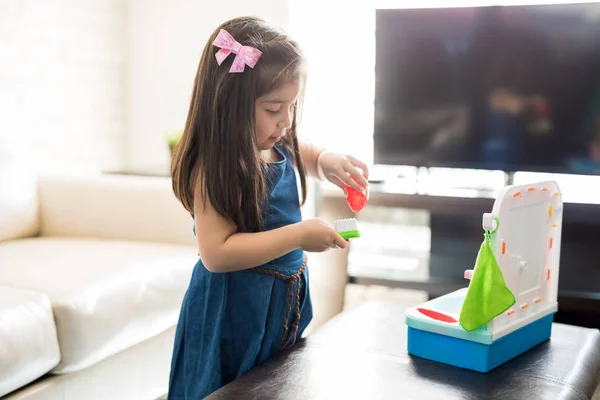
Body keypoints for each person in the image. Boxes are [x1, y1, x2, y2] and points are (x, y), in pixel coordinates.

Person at [167, 16, 370, 399]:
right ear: (231, 104)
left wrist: (325, 159)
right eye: (274, 108)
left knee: (271, 385)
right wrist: (298, 234)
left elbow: (300, 147)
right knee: (225, 389)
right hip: (233, 310)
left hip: (278, 302)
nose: (286, 121)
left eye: (291, 106)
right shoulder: (217, 165)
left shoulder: (276, 140)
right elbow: (215, 253)